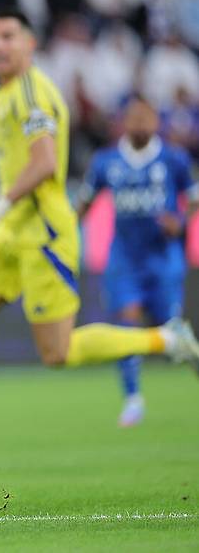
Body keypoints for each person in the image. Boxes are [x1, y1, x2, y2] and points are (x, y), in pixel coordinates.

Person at [0, 8, 199, 406]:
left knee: (57, 352)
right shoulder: (5, 92)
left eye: (8, 37)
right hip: (12, 230)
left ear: (30, 43)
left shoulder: (31, 92)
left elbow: (45, 162)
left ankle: (166, 338)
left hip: (43, 232)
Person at [78, 96, 199, 426]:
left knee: (173, 334)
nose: (140, 124)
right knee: (127, 324)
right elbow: (85, 203)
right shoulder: (107, 161)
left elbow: (193, 198)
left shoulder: (173, 159)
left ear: (156, 122)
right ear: (124, 122)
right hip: (125, 261)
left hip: (163, 261)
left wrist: (180, 222)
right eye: (133, 118)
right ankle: (133, 398)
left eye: (146, 118)